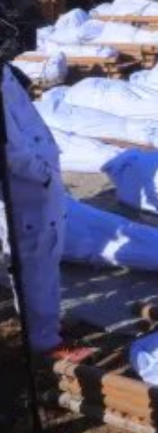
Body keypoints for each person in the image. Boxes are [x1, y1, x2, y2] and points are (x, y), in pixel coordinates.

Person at [0, 65, 69, 356]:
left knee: (37, 261)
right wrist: (42, 174)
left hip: (33, 184)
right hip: (28, 189)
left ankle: (42, 332)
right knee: (36, 266)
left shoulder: (4, 71)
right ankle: (44, 341)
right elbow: (11, 149)